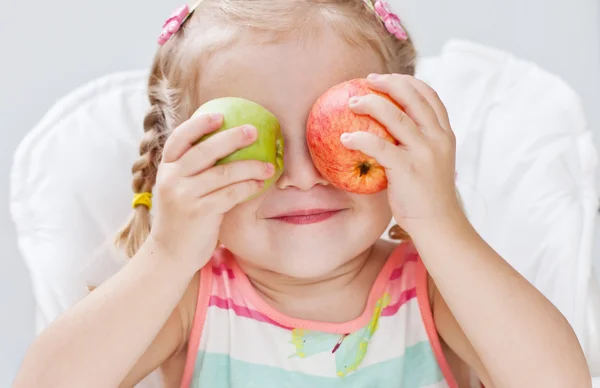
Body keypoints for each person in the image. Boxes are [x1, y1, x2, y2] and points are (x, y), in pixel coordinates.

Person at [14, 1, 591, 387]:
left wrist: (441, 223)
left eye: (331, 137)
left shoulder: (433, 291)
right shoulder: (192, 299)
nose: (300, 176)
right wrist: (167, 255)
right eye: (255, 144)